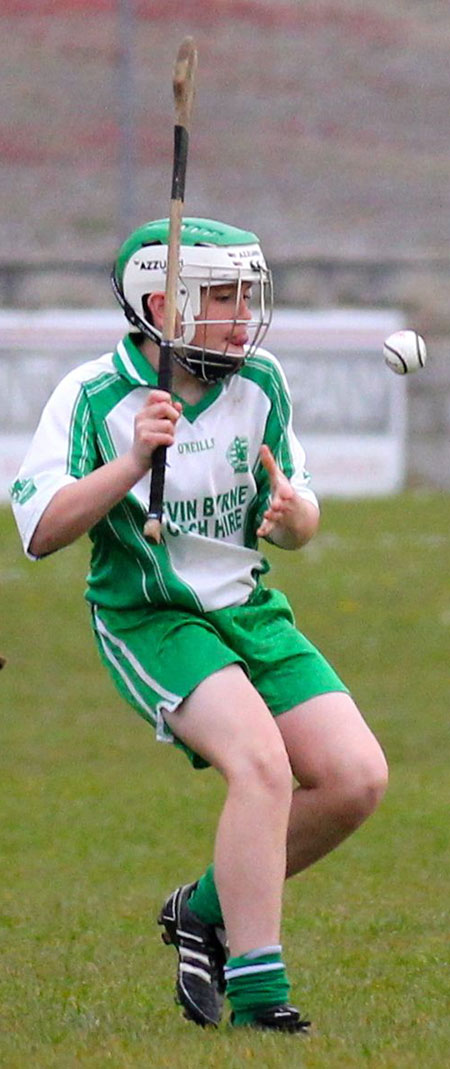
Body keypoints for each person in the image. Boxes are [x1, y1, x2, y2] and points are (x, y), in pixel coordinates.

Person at [10, 217, 388, 1033]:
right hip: (150, 615)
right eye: (222, 296)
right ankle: (259, 994)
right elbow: (40, 531)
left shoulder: (262, 381)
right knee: (261, 767)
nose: (242, 315)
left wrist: (295, 520)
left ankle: (202, 908)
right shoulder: (94, 396)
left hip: (247, 608)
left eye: (247, 295)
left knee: (357, 777)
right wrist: (129, 463)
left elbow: (295, 511)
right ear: (161, 302)